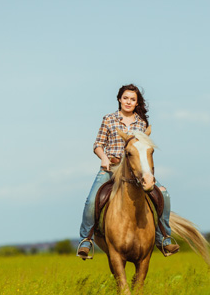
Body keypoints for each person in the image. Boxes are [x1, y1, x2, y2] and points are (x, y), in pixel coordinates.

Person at [76, 84, 180, 259]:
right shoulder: (108, 119)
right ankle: (86, 240)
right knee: (91, 201)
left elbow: (144, 149)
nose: (128, 102)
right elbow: (98, 145)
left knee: (164, 195)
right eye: (125, 98)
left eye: (132, 99)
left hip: (135, 171)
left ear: (136, 102)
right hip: (111, 167)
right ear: (119, 99)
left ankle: (163, 238)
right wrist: (104, 158)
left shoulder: (141, 123)